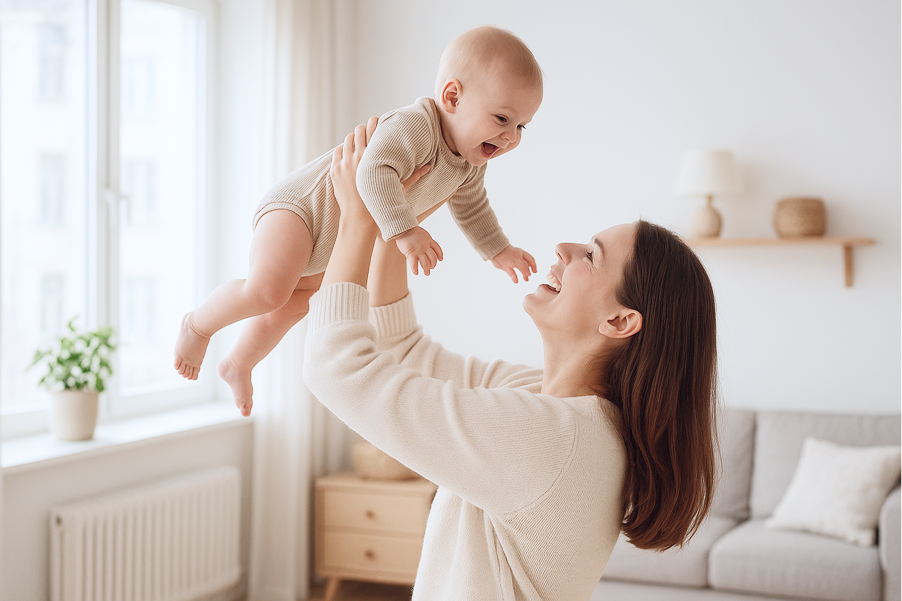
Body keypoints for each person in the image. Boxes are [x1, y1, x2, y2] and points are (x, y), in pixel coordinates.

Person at [302, 120, 719, 600]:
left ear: (620, 322)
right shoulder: (547, 403)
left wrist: (357, 221)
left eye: (591, 255)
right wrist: (397, 221)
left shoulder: (553, 437)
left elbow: (335, 370)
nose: (563, 248)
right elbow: (407, 355)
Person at [174, 26, 543, 416]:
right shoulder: (417, 126)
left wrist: (497, 250)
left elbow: (471, 207)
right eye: (502, 118)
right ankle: (197, 326)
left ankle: (240, 362)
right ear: (452, 96)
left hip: (333, 240)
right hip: (302, 211)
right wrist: (407, 231)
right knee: (268, 291)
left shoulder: (469, 163)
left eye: (521, 126)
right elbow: (370, 173)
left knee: (292, 306)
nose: (511, 138)